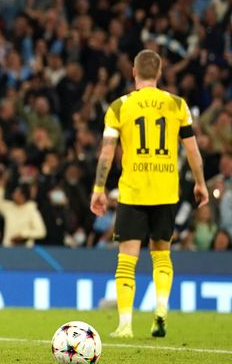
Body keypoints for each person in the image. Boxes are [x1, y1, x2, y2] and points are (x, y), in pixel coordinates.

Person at [90, 49, 208, 339]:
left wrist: (99, 188)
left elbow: (107, 152)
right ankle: (161, 311)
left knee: (127, 260)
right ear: (159, 72)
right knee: (162, 256)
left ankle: (126, 325)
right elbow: (192, 149)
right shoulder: (177, 105)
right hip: (166, 190)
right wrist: (200, 183)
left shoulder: (119, 107)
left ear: (133, 72)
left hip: (133, 191)